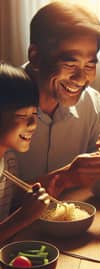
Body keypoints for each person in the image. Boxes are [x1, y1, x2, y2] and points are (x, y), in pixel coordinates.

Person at [16, 2, 100, 197]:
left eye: (89, 66)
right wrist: (64, 178)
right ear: (35, 56)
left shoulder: (90, 102)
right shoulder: (6, 101)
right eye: (70, 63)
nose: (80, 79)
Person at [0, 62, 50, 244]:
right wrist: (23, 217)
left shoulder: (9, 161)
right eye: (22, 115)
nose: (32, 124)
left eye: (35, 114)